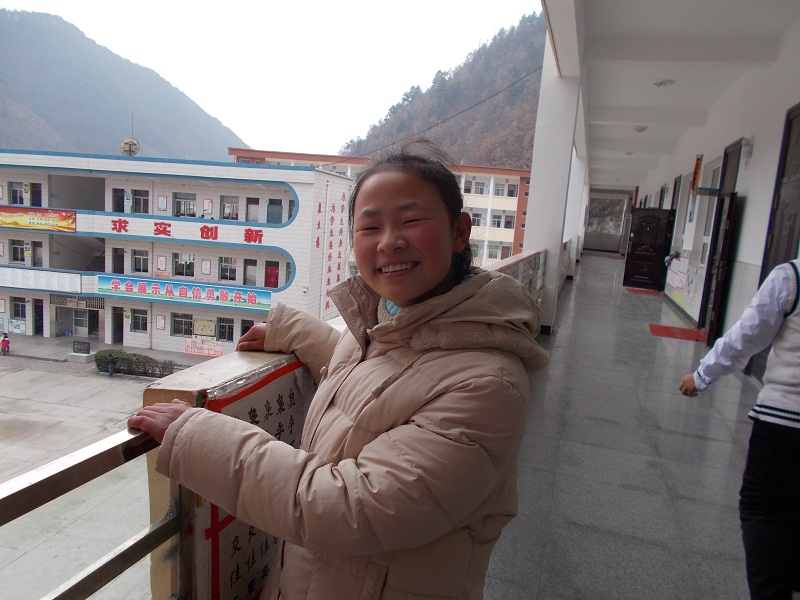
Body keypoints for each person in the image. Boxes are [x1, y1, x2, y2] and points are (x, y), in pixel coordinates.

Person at [128, 140, 549, 599]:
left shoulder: (489, 386)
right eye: (370, 226)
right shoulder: (385, 327)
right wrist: (292, 330)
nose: (389, 241)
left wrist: (197, 437)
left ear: (459, 231)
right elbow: (379, 379)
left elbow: (349, 508)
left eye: (411, 220)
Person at [679, 258, 800, 599]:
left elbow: (747, 335)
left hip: (784, 421)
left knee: (765, 512)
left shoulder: (791, 277)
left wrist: (702, 375)